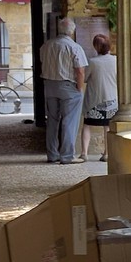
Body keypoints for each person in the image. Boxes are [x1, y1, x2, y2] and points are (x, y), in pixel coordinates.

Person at [38, 18, 88, 163]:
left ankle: (52, 154)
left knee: (52, 121)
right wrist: (80, 88)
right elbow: (80, 71)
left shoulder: (46, 45)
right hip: (68, 87)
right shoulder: (75, 47)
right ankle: (67, 156)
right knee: (69, 121)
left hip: (49, 85)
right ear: (72, 31)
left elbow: (42, 62)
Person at [80, 33, 118, 162]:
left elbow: (84, 78)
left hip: (94, 100)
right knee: (107, 127)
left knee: (86, 125)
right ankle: (107, 154)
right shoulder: (116, 60)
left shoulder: (92, 62)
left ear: (96, 47)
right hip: (112, 99)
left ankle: (84, 153)